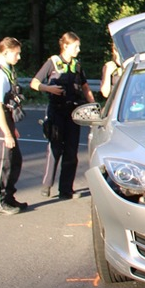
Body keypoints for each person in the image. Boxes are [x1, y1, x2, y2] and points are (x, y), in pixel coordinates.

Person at [31, 32, 95, 199]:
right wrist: (49, 89)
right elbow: (34, 83)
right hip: (56, 112)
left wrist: (93, 108)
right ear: (65, 46)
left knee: (71, 151)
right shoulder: (52, 62)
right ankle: (47, 185)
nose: (79, 50)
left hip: (73, 112)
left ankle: (66, 190)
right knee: (55, 148)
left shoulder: (77, 65)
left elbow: (85, 87)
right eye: (76, 46)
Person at [0, 37, 27, 215]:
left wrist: (12, 128)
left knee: (15, 159)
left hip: (6, 119)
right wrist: (6, 133)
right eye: (16, 53)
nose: (19, 57)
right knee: (2, 161)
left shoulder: (6, 70)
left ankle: (8, 197)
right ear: (6, 52)